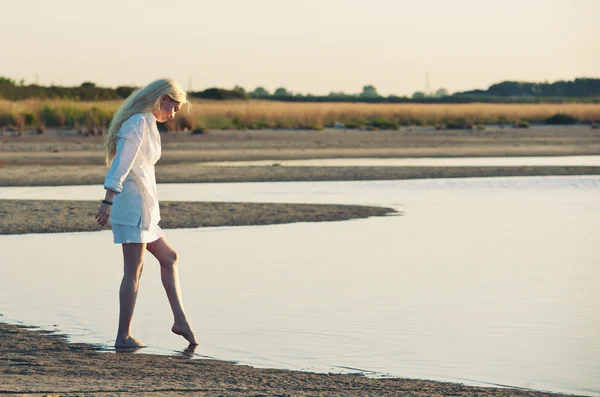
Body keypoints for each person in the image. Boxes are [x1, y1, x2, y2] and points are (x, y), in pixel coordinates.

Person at [95, 79, 198, 349]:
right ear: (162, 98)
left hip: (145, 211)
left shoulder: (148, 123)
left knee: (169, 257)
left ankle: (180, 321)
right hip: (132, 208)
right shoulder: (137, 123)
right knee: (133, 270)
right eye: (173, 107)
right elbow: (121, 165)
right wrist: (107, 200)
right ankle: (123, 337)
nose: (174, 114)